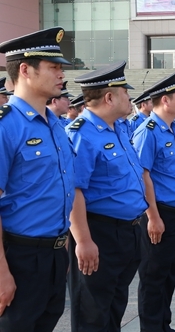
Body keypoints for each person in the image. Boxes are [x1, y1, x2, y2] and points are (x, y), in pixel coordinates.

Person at [0, 27, 75, 332]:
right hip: (20, 257)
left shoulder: (54, 124)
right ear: (25, 70)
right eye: (54, 67)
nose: (61, 75)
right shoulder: (7, 126)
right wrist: (2, 273)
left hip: (55, 253)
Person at [65, 61, 149, 331]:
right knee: (93, 310)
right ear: (110, 97)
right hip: (99, 232)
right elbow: (74, 189)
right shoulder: (82, 134)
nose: (130, 98)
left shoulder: (120, 128)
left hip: (128, 231)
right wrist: (84, 240)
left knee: (115, 303)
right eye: (126, 92)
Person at [131, 70, 175, 332]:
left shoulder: (171, 130)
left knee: (169, 274)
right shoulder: (148, 132)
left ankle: (163, 325)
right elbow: (142, 175)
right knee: (153, 277)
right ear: (166, 100)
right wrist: (153, 217)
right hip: (162, 216)